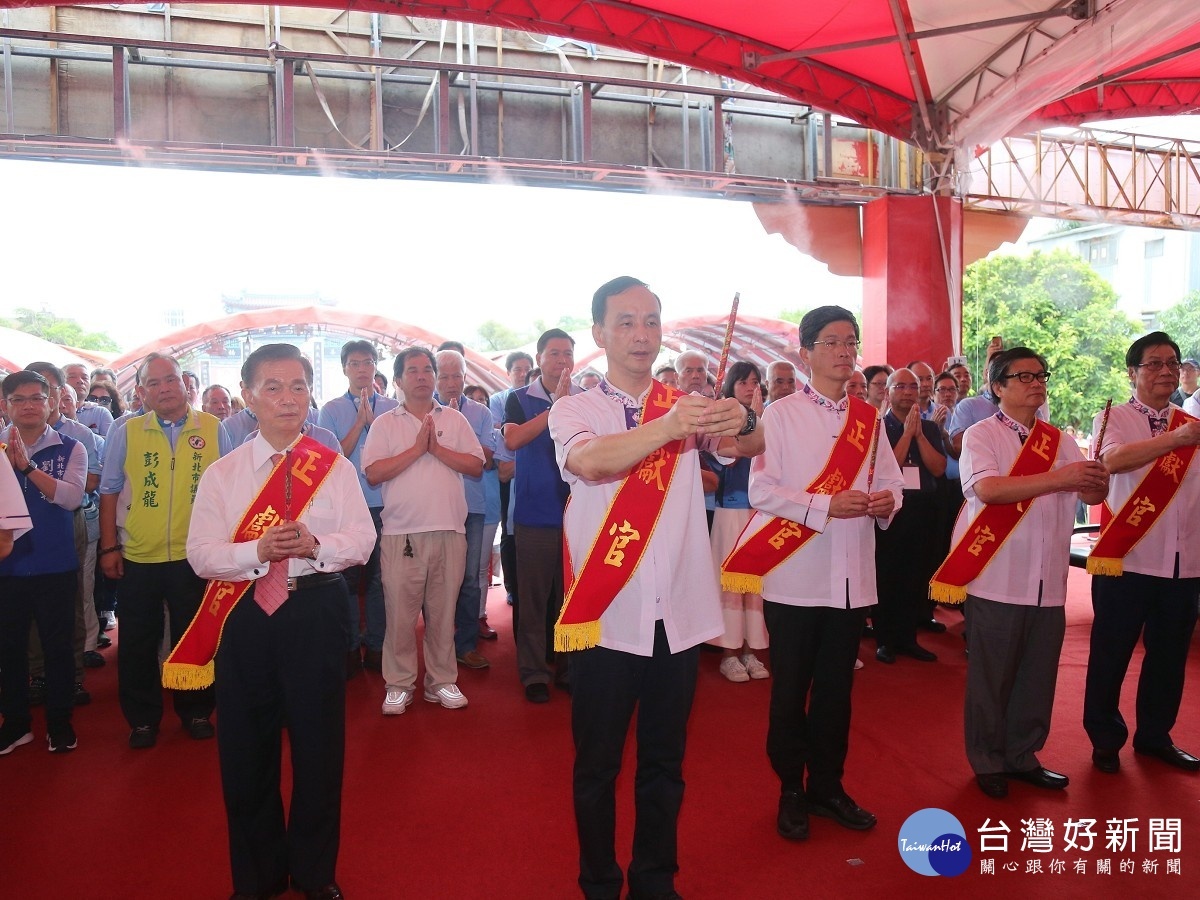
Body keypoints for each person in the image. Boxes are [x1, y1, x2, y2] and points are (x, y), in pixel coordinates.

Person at [550, 275, 764, 900]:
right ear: (599, 334)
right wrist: (673, 427)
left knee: (665, 765)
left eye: (650, 321)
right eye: (625, 322)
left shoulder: (684, 404)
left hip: (678, 613)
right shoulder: (577, 407)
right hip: (604, 614)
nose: (641, 335)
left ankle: (653, 880)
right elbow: (591, 463)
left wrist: (744, 416)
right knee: (597, 766)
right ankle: (597, 881)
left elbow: (749, 444)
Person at [182, 343, 375, 900]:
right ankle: (258, 875)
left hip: (315, 613)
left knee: (320, 753)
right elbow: (201, 554)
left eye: (297, 387)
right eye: (272, 387)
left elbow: (363, 540)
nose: (287, 399)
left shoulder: (333, 466)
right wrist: (255, 552)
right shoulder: (223, 475)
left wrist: (316, 544)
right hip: (244, 616)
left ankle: (316, 872)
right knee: (246, 753)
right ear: (247, 396)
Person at [727, 306, 903, 841]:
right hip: (796, 579)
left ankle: (828, 785)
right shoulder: (780, 415)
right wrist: (824, 506)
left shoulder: (869, 419)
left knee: (836, 694)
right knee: (790, 693)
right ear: (805, 353)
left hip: (852, 580)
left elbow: (894, 483)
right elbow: (761, 490)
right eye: (831, 342)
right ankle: (790, 790)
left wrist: (883, 503)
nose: (845, 351)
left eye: (851, 341)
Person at [931, 348, 1108, 797]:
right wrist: (1062, 477)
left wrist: (1093, 481)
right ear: (998, 386)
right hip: (997, 576)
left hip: (1050, 580)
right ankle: (987, 759)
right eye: (1023, 375)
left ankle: (1022, 755)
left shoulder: (1059, 440)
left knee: (1037, 674)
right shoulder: (981, 435)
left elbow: (1087, 488)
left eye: (1041, 374)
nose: (1036, 382)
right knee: (992, 676)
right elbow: (988, 489)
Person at [98, 352, 231, 748]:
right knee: (138, 642)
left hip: (196, 556)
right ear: (140, 392)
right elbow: (109, 491)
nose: (164, 389)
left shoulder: (212, 427)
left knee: (195, 637)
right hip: (139, 554)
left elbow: (230, 492)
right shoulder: (127, 431)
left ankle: (195, 711)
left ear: (185, 384)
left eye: (170, 380)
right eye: (153, 383)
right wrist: (109, 547)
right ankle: (142, 719)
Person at [1084, 331, 1200, 774]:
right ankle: (1105, 738)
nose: (1165, 371)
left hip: (1183, 560)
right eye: (1153, 364)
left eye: (1172, 363)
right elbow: (1114, 461)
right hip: (1126, 557)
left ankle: (1155, 736)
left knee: (1169, 656)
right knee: (1111, 651)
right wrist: (1177, 440)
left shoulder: (1188, 421)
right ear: (1132, 373)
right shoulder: (1112, 417)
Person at [363, 348, 484, 715]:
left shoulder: (455, 419)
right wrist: (417, 450)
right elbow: (373, 473)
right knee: (399, 613)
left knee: (443, 612)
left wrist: (436, 448)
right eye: (412, 371)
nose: (421, 376)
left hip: (450, 529)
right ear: (397, 380)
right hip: (403, 533)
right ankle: (398, 684)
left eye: (427, 370)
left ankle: (442, 681)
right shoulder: (385, 423)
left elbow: (476, 465)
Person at [0, 371, 87, 755]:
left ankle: (59, 721)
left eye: (37, 397)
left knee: (57, 647)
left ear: (51, 402)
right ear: (6, 406)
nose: (29, 406)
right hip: (7, 566)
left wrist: (28, 469)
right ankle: (17, 723)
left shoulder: (71, 447)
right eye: (19, 399)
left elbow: (70, 498)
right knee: (9, 649)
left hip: (55, 563)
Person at [505, 329, 582, 702]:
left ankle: (569, 668)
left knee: (570, 598)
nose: (561, 360)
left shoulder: (587, 398)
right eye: (554, 353)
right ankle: (534, 672)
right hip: (535, 513)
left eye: (567, 353)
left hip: (579, 513)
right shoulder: (519, 399)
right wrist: (558, 409)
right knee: (533, 599)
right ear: (539, 359)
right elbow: (513, 440)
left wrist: (570, 404)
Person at [317, 340, 399, 677]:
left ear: (376, 365)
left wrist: (374, 421)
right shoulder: (331, 409)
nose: (362, 369)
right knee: (347, 580)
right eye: (354, 363)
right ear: (344, 368)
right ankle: (350, 646)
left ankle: (378, 646)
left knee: (382, 580)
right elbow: (333, 457)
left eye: (367, 362)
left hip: (387, 504)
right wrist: (361, 421)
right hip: (347, 506)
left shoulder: (395, 406)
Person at [872, 368, 945, 663]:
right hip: (890, 511)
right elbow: (888, 468)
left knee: (917, 574)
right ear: (888, 392)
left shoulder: (929, 428)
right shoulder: (879, 426)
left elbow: (938, 468)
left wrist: (919, 435)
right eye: (899, 386)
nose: (907, 391)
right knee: (888, 574)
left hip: (923, 509)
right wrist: (906, 435)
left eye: (912, 386)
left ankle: (908, 637)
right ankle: (885, 639)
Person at [708, 361, 770, 683]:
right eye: (744, 381)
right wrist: (752, 425)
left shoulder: (769, 417)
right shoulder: (720, 419)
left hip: (761, 511)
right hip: (731, 508)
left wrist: (760, 421)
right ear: (731, 386)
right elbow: (730, 456)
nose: (750, 387)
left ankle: (752, 650)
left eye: (756, 381)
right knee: (731, 584)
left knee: (757, 585)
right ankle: (728, 653)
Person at [436, 349, 496, 671]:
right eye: (443, 376)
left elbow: (485, 459)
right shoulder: (423, 411)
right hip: (433, 506)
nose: (450, 382)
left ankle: (466, 645)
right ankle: (438, 646)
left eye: (456, 375)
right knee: (436, 579)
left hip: (472, 506)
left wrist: (457, 425)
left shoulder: (480, 413)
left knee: (470, 578)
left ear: (464, 377)